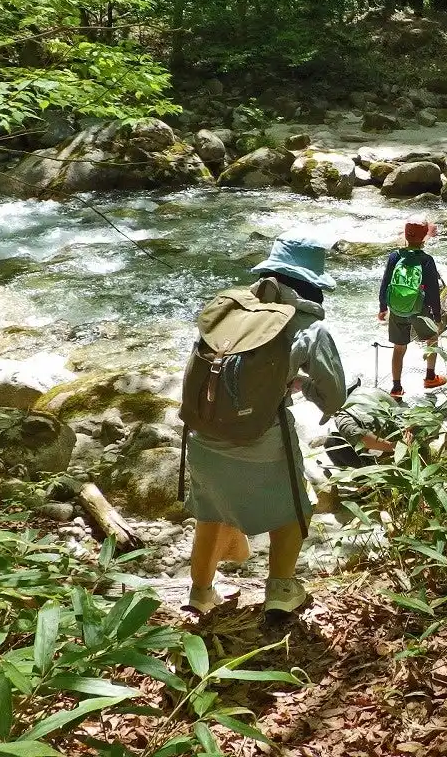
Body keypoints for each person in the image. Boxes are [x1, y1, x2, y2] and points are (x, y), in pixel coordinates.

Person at [183, 227, 347, 618]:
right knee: (295, 507)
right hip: (260, 435)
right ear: (313, 285)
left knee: (211, 510)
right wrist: (304, 385)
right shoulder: (310, 326)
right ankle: (281, 591)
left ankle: (200, 592)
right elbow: (335, 396)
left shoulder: (229, 309)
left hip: (202, 430)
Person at [378, 218, 446, 401]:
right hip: (419, 310)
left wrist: (383, 307)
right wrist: (437, 316)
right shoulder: (426, 260)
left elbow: (385, 283)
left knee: (399, 348)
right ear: (424, 237)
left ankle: (396, 387)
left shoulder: (394, 257)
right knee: (432, 338)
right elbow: (433, 291)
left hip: (397, 309)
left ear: (406, 235)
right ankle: (430, 377)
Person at [324, 387, 405, 470]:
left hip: (393, 454)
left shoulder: (342, 415)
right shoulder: (369, 390)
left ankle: (359, 476)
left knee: (331, 442)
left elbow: (357, 435)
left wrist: (395, 447)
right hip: (405, 434)